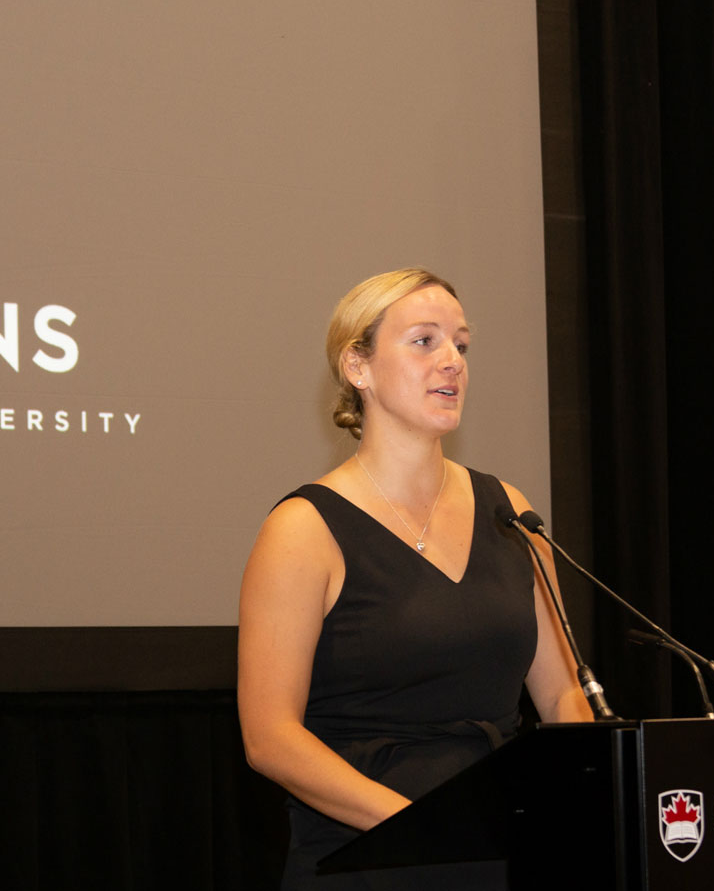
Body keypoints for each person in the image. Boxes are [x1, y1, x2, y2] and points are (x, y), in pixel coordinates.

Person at [237, 267, 592, 889]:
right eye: (425, 341)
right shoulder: (303, 528)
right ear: (358, 366)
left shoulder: (510, 511)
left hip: (505, 843)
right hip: (369, 856)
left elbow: (563, 695)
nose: (452, 360)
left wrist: (576, 800)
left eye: (461, 344)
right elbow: (270, 738)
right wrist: (426, 826)